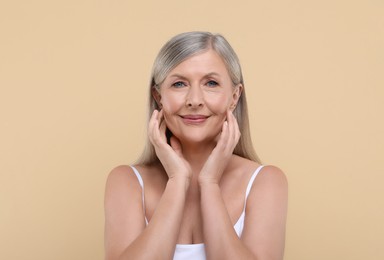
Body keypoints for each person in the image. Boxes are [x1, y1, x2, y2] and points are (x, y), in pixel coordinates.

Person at [104, 31, 288, 260]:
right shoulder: (127, 181)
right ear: (159, 97)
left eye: (211, 83)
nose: (194, 100)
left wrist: (209, 183)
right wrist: (177, 180)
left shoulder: (265, 181)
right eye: (179, 84)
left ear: (234, 97)